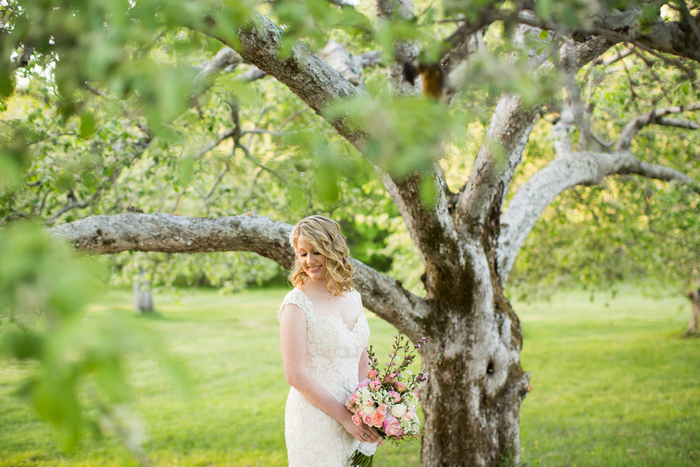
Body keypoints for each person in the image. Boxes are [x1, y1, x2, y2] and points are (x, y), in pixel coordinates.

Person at [277, 215, 381, 466]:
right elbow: (295, 375)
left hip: (355, 415)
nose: (309, 261)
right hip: (315, 417)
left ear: (333, 250)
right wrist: (345, 418)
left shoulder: (352, 296)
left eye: (316, 251)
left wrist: (373, 412)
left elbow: (361, 360)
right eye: (302, 253)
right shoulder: (296, 303)